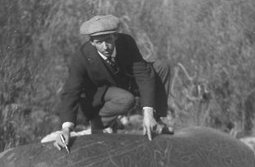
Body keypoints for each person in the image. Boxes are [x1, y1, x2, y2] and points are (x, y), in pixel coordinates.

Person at [54, 14, 173, 152]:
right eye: (99, 42)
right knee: (125, 99)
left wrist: (149, 113)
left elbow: (142, 74)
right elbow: (71, 92)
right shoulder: (81, 57)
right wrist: (66, 128)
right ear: (92, 42)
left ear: (115, 36)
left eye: (108, 40)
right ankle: (98, 125)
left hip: (125, 82)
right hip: (102, 92)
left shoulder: (127, 42)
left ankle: (156, 122)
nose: (105, 46)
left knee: (161, 67)